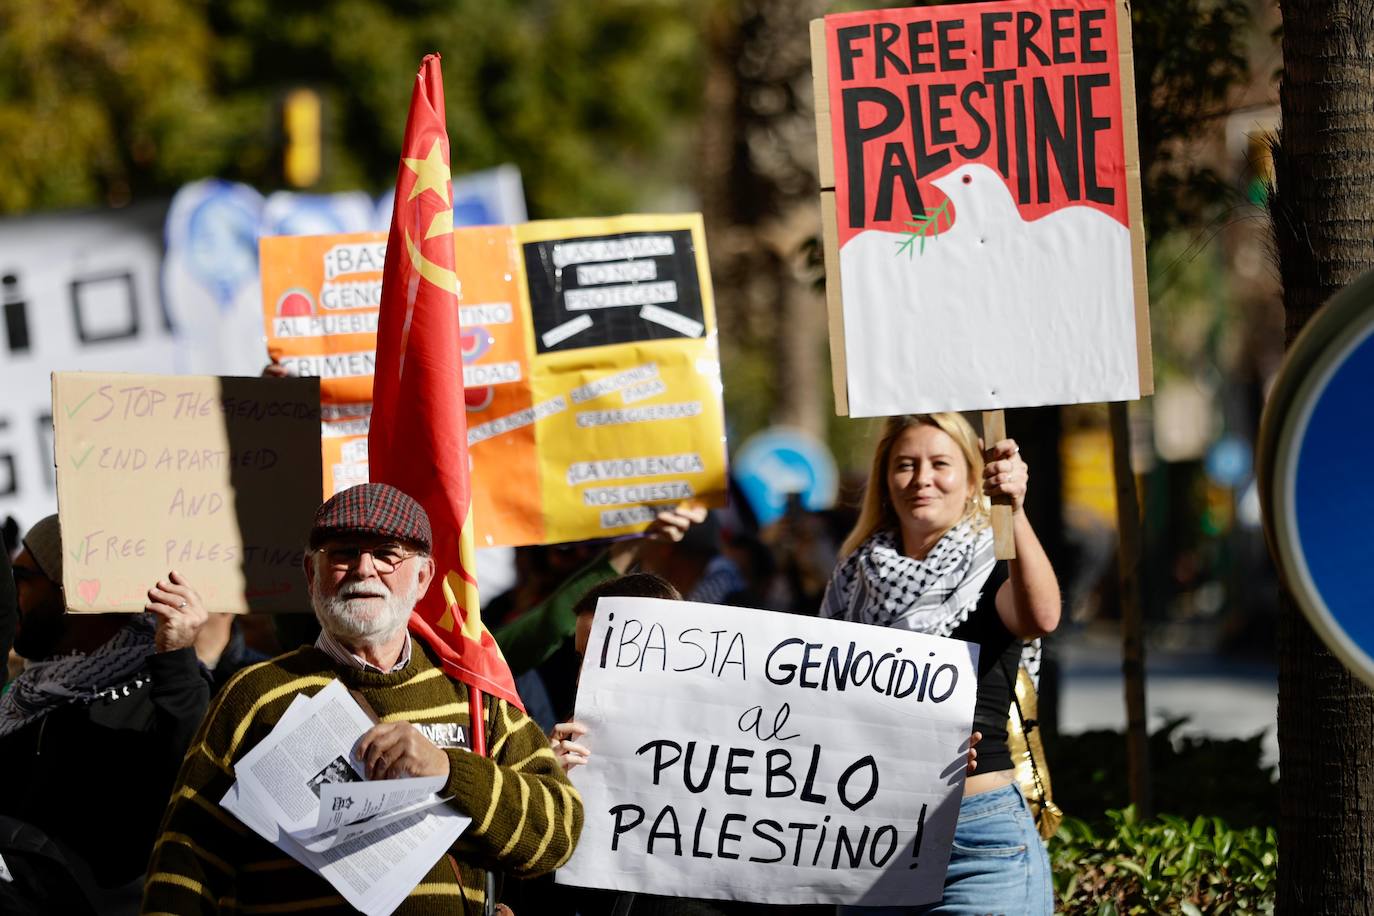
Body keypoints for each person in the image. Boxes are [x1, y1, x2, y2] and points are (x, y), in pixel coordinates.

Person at [143, 482, 582, 915]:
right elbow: (184, 864)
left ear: (424, 576)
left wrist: (449, 770)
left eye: (387, 554)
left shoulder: (472, 694)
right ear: (310, 574)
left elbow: (557, 835)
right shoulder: (254, 696)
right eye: (343, 553)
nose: (364, 569)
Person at [821, 413, 1060, 916]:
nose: (922, 479)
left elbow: (1041, 615)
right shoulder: (851, 577)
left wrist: (1011, 512)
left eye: (940, 464)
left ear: (973, 479)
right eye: (905, 465)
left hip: (977, 840)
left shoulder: (995, 563)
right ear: (885, 482)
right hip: (870, 839)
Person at [0, 514, 211, 914]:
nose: (10, 596)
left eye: (23, 578)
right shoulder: (25, 696)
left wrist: (177, 658)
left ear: (72, 590)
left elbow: (189, 779)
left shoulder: (165, 688)